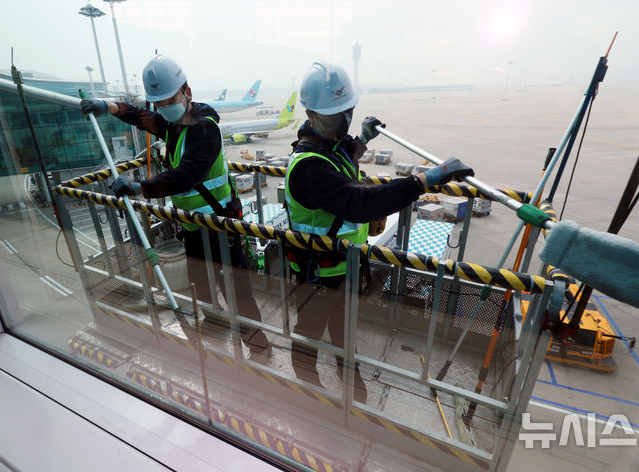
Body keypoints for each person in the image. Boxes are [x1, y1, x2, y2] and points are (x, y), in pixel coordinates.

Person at [285, 61, 473, 402]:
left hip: (345, 268)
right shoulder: (309, 167)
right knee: (309, 334)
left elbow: (344, 155)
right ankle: (309, 393)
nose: (344, 120)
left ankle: (353, 388)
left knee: (345, 335)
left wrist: (362, 140)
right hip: (317, 275)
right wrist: (423, 181)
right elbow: (358, 202)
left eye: (348, 111)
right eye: (335, 115)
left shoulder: (327, 145)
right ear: (311, 115)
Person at [80, 54, 271, 357]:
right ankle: (213, 324)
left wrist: (139, 187)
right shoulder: (174, 124)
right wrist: (110, 106)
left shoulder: (204, 129)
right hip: (193, 226)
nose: (161, 109)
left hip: (220, 225)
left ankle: (258, 345)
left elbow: (186, 176)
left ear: (187, 93)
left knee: (237, 290)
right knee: (201, 284)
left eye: (167, 100)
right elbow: (142, 116)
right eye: (158, 103)